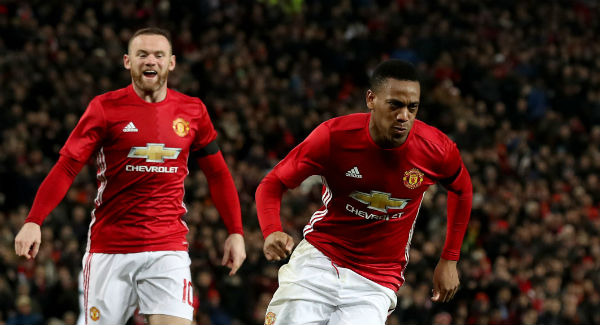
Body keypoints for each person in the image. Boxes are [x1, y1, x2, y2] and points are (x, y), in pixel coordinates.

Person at [14, 27, 246, 325]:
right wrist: (34, 220)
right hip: (110, 248)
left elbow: (219, 174)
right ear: (128, 61)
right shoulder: (104, 108)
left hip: (168, 246)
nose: (151, 61)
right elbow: (67, 166)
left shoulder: (193, 111)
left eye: (159, 55)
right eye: (142, 54)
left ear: (171, 62)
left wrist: (236, 230)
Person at [256, 59, 473, 325]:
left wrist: (449, 259)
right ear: (371, 99)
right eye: (395, 104)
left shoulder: (436, 149)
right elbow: (273, 182)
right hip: (319, 260)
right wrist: (271, 230)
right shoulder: (334, 137)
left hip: (376, 280)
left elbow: (462, 190)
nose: (404, 115)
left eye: (412, 107)